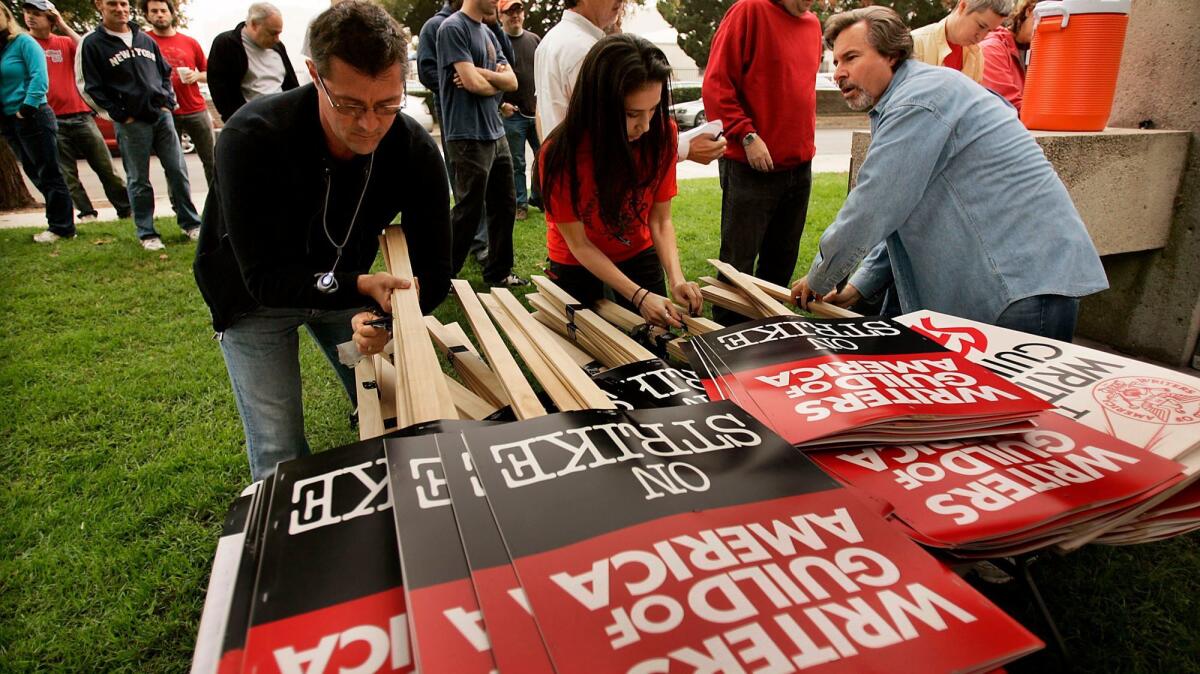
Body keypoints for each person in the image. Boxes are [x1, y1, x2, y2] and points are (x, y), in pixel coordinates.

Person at [193, 0, 452, 481]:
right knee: (278, 447)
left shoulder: (414, 149)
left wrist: (387, 317)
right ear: (314, 74)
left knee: (398, 406)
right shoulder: (251, 137)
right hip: (252, 295)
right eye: (350, 104)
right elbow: (265, 280)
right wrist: (358, 287)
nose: (370, 123)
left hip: (348, 283)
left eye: (387, 105)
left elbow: (436, 266)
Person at [791, 6, 1107, 341]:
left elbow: (873, 204)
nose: (838, 72)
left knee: (1005, 396)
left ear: (893, 55)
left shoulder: (918, 101)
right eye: (836, 61)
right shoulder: (920, 93)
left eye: (851, 58)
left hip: (1021, 288)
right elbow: (901, 210)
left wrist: (819, 278)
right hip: (1023, 283)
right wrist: (858, 285)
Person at [540, 34, 702, 329]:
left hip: (637, 250)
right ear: (599, 105)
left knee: (656, 339)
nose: (646, 125)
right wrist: (639, 297)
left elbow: (661, 220)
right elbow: (578, 243)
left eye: (653, 110)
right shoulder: (560, 154)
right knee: (589, 346)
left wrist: (676, 278)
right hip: (576, 259)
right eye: (632, 114)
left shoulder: (662, 135)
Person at [702, 0, 822, 324]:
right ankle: (727, 339)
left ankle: (766, 333)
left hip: (799, 167)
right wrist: (746, 135)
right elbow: (716, 85)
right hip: (751, 165)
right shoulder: (749, 11)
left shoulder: (812, 25)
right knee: (737, 266)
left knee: (780, 263)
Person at [535, 0, 725, 162]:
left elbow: (541, 116)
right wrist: (685, 149)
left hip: (565, 176)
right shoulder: (587, 51)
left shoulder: (550, 41)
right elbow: (615, 135)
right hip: (594, 183)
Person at [79, 0, 201, 250]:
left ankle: (190, 223)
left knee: (177, 171)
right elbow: (88, 87)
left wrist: (168, 103)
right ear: (100, 6)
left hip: (161, 116)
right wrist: (119, 115)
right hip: (132, 123)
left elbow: (164, 73)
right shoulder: (92, 43)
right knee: (138, 179)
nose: (120, 9)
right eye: (113, 4)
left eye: (124, 3)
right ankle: (147, 233)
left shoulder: (145, 39)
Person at [437, 0, 526, 287]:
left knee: (505, 205)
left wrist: (481, 73)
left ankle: (498, 273)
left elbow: (512, 82)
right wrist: (489, 79)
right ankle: (441, 276)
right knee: (468, 210)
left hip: (495, 131)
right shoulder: (452, 28)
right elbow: (470, 83)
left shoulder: (487, 33)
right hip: (466, 134)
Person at [22, 0, 130, 224]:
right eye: (28, 13)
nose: (31, 18)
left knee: (106, 167)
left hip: (81, 116)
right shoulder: (24, 45)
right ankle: (87, 213)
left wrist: (62, 24)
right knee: (67, 174)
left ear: (49, 18)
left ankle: (125, 208)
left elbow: (88, 49)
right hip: (51, 119)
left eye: (37, 14)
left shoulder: (63, 42)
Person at [0, 1, 73, 243]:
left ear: (6, 16)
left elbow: (39, 77)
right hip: (7, 119)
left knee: (48, 171)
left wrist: (26, 108)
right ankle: (59, 222)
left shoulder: (22, 42)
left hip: (32, 115)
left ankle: (62, 228)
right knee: (34, 171)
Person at [143, 0, 214, 186]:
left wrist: (196, 75)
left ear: (171, 13)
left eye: (163, 10)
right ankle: (181, 208)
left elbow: (210, 74)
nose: (159, 14)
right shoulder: (143, 42)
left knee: (212, 160)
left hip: (195, 109)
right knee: (173, 165)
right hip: (164, 112)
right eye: (154, 11)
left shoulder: (189, 42)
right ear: (147, 15)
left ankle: (219, 204)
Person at [206, 2, 298, 123]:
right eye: (272, 33)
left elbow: (291, 84)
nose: (277, 39)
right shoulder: (226, 44)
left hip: (282, 117)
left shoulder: (278, 47)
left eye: (279, 33)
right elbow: (220, 90)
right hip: (252, 122)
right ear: (254, 25)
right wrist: (239, 123)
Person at [498, 0, 540, 220]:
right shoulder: (496, 43)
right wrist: (501, 104)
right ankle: (520, 205)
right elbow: (490, 75)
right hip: (512, 116)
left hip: (536, 113)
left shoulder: (534, 40)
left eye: (518, 10)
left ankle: (540, 199)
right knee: (517, 163)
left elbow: (544, 73)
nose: (515, 15)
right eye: (509, 12)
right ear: (500, 16)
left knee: (544, 158)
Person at [910, 0, 1011, 82]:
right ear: (963, 7)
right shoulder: (916, 44)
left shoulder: (977, 54)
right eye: (981, 26)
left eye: (989, 31)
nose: (981, 38)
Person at [980, 0, 1039, 111]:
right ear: (1029, 11)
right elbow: (1007, 104)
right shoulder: (992, 48)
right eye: (1043, 18)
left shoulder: (1041, 52)